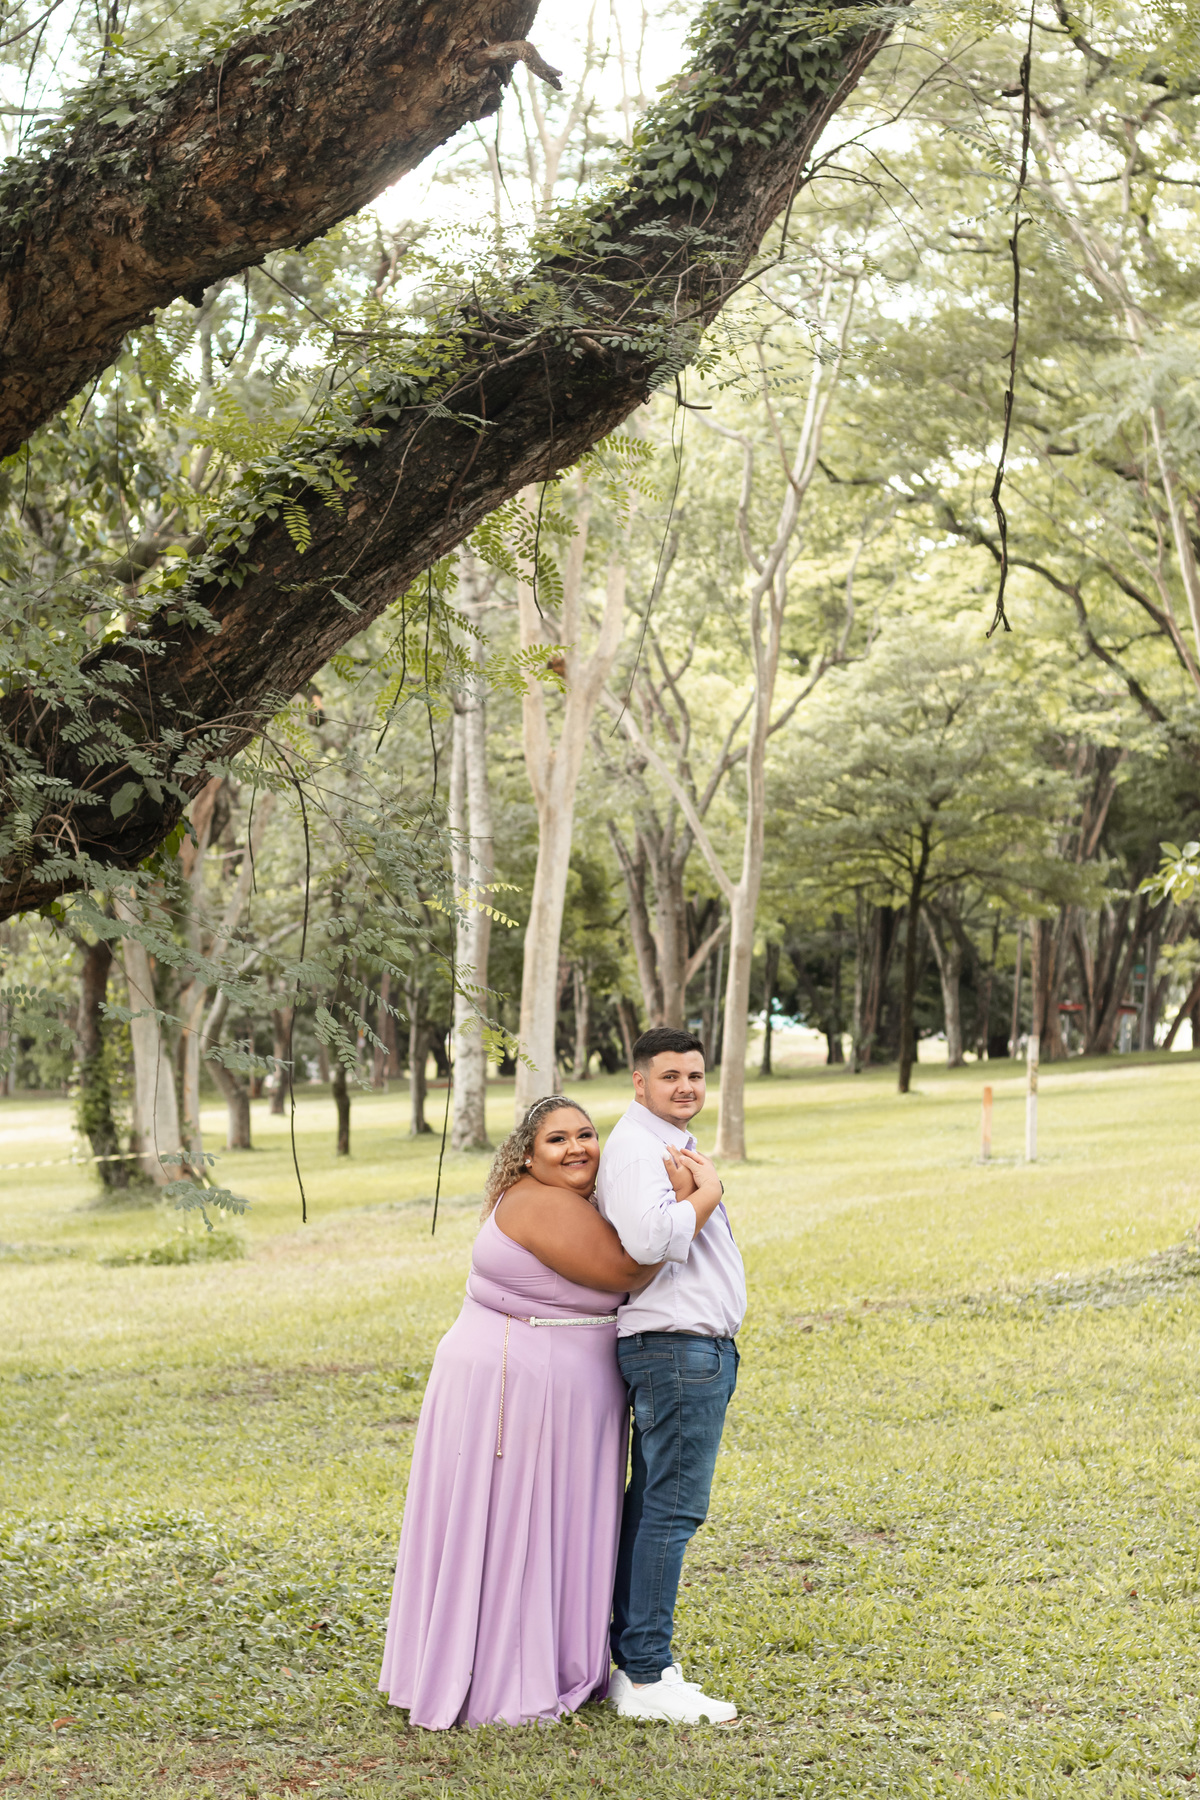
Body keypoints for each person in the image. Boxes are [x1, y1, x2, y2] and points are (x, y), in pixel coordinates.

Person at [378, 1095, 657, 1730]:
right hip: (518, 1387)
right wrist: (697, 1202)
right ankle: (503, 1676)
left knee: (545, 1522)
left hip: (556, 1389)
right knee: (517, 1525)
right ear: (527, 1156)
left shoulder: (566, 1201)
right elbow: (627, 1269)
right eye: (557, 1140)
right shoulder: (540, 1201)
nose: (576, 1148)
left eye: (585, 1134)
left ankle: (530, 1659)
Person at [596, 1026, 746, 1725]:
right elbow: (650, 1239)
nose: (685, 1087)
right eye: (669, 1076)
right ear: (639, 1081)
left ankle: (639, 1662)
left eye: (694, 1075)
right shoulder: (638, 1150)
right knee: (671, 1509)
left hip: (686, 1349)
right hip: (676, 1348)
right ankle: (647, 1673)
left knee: (656, 1504)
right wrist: (710, 1190)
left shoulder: (668, 1144)